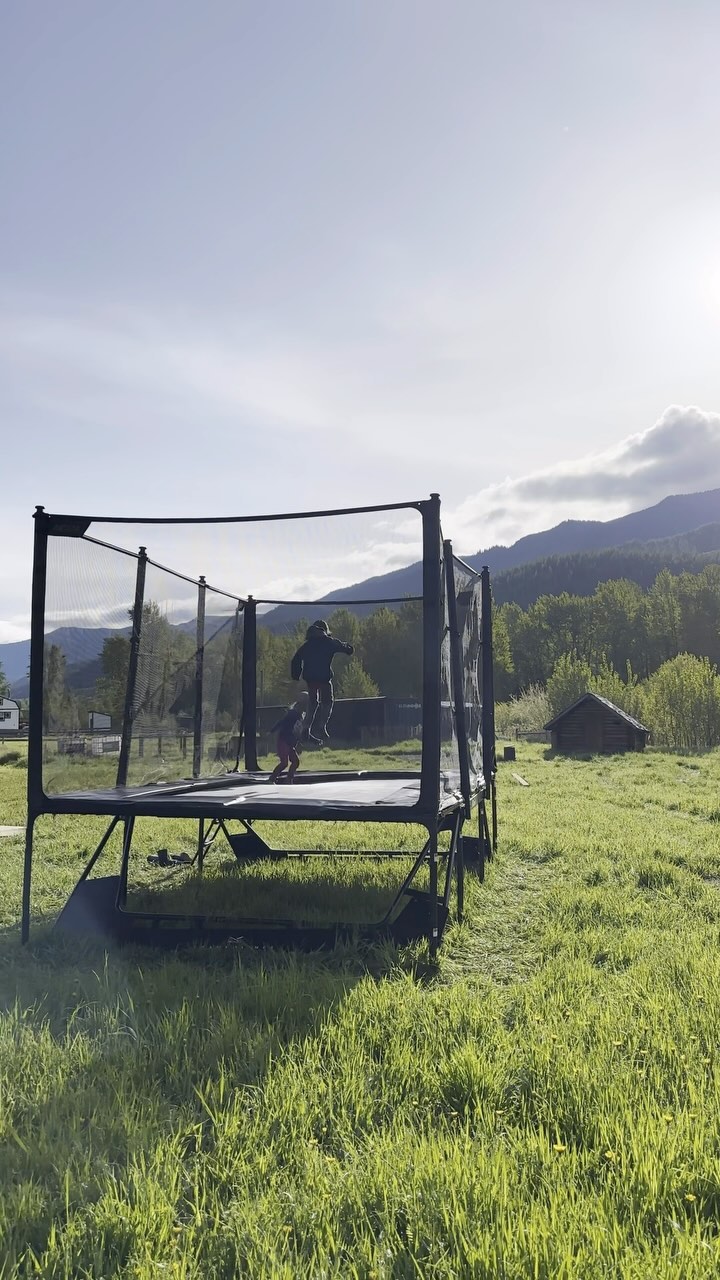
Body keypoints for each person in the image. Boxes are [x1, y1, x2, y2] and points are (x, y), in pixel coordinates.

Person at [290, 619, 354, 743]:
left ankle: (306, 727)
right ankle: (322, 725)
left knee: (312, 704)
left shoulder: (307, 645)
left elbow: (296, 659)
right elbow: (345, 648)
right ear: (325, 631)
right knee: (328, 701)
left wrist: (296, 675)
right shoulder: (329, 642)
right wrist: (349, 648)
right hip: (324, 678)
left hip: (311, 679)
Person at [269, 693, 307, 783]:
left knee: (295, 762)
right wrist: (272, 731)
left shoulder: (300, 717)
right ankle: (272, 779)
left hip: (290, 743)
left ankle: (289, 779)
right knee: (284, 763)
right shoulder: (293, 714)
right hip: (284, 741)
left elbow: (299, 732)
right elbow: (281, 722)